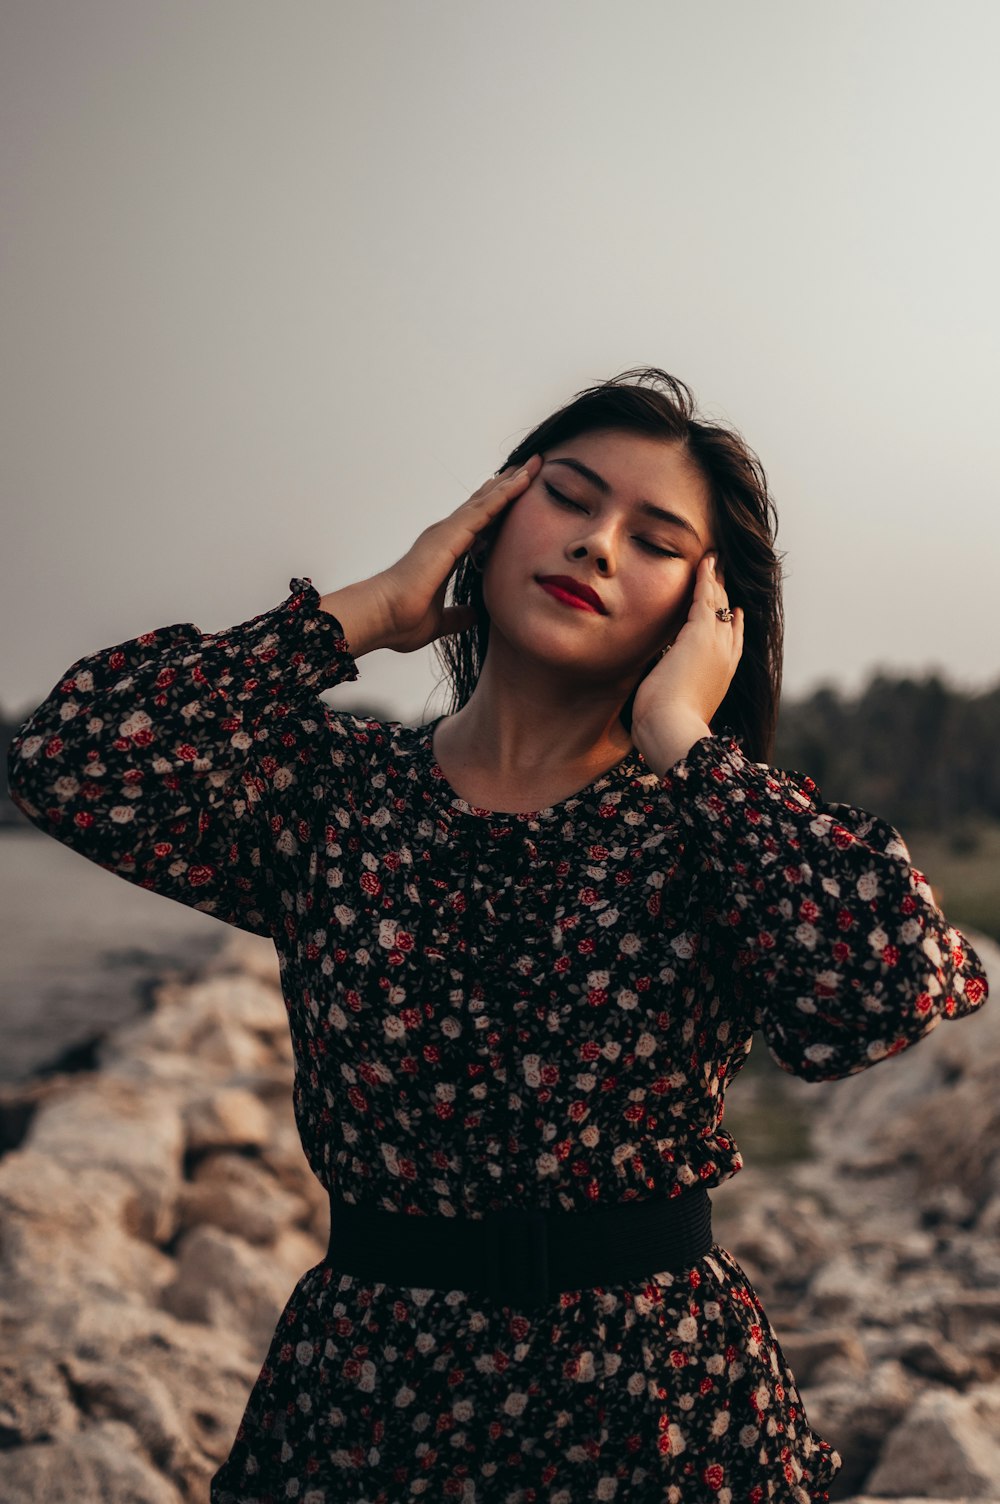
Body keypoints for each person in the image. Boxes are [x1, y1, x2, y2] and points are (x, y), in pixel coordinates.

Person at [6, 367, 989, 1504]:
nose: (596, 545)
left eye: (655, 538)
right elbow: (69, 758)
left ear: (704, 607)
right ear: (493, 510)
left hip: (657, 1406)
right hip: (364, 1397)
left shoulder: (703, 822)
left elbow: (893, 978)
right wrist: (364, 612)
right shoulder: (336, 795)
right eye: (568, 496)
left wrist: (684, 735)